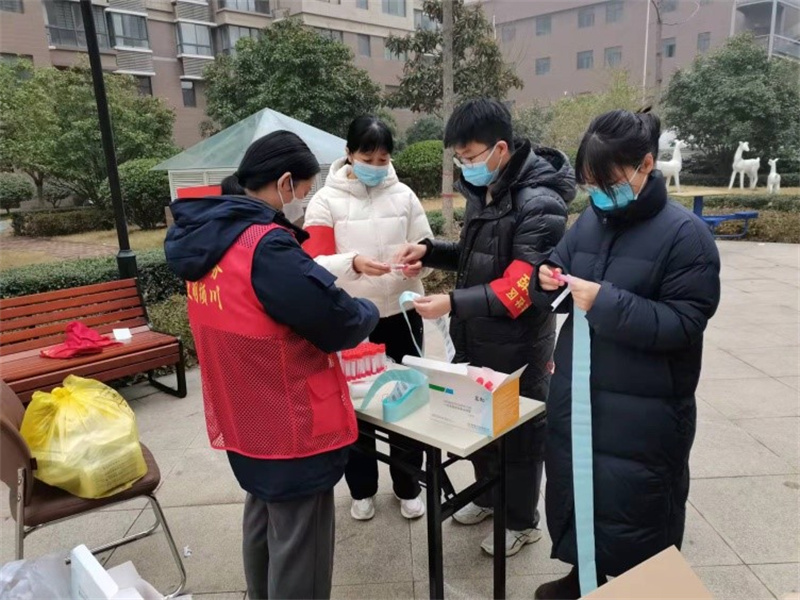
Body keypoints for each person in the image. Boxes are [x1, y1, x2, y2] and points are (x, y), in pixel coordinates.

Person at [164, 131, 380, 600]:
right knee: (302, 545)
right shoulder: (266, 247)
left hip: (244, 417)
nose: (305, 200)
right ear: (284, 184)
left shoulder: (208, 239)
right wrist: (369, 310)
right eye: (305, 189)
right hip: (291, 424)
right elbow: (337, 321)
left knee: (262, 520)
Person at [532, 109, 721, 600]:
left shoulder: (686, 235)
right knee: (577, 487)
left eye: (608, 182)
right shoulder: (590, 222)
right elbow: (558, 271)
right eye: (590, 184)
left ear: (646, 166)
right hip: (580, 393)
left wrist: (605, 302)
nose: (599, 193)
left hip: (645, 406)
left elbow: (685, 322)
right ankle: (583, 577)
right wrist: (544, 278)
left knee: (639, 504)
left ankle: (643, 589)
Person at [396, 98, 575, 557]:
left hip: (518, 345)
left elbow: (521, 287)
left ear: (500, 149)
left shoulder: (541, 203)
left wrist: (452, 302)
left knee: (518, 437)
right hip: (476, 337)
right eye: (459, 157)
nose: (465, 165)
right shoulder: (488, 189)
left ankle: (521, 521)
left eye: (470, 156)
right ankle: (490, 498)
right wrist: (430, 250)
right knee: (478, 422)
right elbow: (477, 255)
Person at [303, 115, 433, 522]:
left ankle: (409, 485)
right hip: (353, 320)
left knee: (406, 400)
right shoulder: (325, 201)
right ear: (348, 153)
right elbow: (313, 262)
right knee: (356, 407)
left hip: (403, 315)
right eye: (367, 157)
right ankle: (362, 489)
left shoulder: (405, 195)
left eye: (383, 159)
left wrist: (420, 264)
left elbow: (426, 248)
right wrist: (353, 262)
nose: (376, 166)